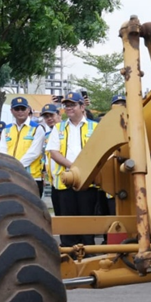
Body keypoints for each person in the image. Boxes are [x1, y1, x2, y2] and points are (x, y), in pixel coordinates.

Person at [47, 91, 99, 246]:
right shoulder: (58, 128)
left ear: (82, 107)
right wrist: (74, 167)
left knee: (87, 219)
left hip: (88, 181)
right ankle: (69, 253)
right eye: (66, 106)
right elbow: (53, 152)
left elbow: (100, 151)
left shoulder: (95, 127)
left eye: (72, 105)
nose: (69, 108)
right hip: (64, 181)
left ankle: (89, 251)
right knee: (67, 220)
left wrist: (85, 168)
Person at [2, 97, 47, 195]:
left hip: (31, 177)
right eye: (17, 109)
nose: (20, 112)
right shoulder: (6, 129)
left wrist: (15, 166)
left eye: (23, 108)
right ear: (11, 111)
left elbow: (34, 152)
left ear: (28, 110)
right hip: (10, 176)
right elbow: (2, 151)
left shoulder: (37, 128)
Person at [40, 103, 61, 209]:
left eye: (51, 115)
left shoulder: (66, 130)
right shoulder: (47, 135)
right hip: (53, 180)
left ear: (58, 115)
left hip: (66, 178)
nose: (49, 119)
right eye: (46, 117)